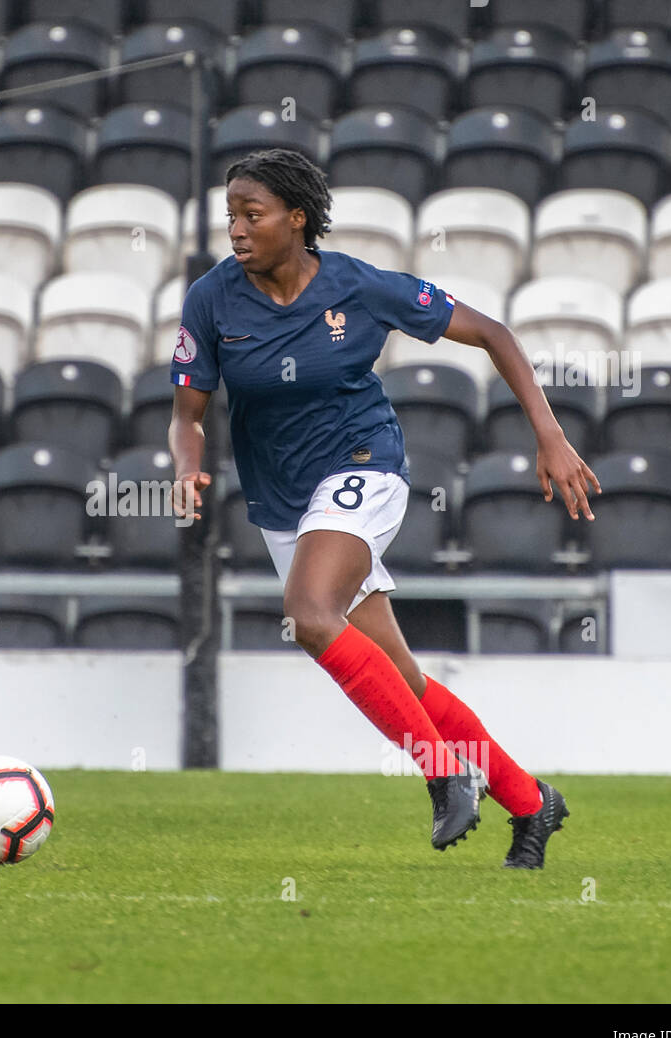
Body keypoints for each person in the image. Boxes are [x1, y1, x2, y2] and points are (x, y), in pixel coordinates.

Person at [169, 148, 599, 867]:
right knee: (401, 678)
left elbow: (494, 334)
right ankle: (530, 802)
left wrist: (550, 435)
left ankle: (442, 773)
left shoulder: (359, 287)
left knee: (309, 615)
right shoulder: (211, 299)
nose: (237, 230)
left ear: (297, 219)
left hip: (363, 467)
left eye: (253, 214)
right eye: (231, 216)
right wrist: (186, 466)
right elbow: (187, 413)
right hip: (284, 503)